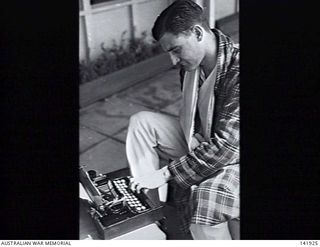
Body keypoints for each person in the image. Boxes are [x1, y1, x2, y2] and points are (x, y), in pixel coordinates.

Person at [126, 0, 239, 240]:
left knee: (208, 202)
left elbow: (227, 148)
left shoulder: (238, 70)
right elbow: (196, 123)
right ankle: (149, 215)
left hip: (235, 155)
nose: (174, 61)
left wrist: (167, 173)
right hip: (204, 140)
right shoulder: (191, 66)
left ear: (198, 33)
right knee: (142, 122)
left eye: (176, 49)